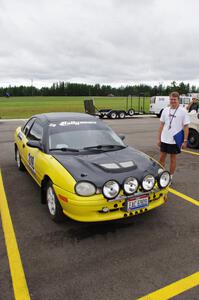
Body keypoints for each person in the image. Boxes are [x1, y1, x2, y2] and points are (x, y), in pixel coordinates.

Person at [157, 91, 190, 182]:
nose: (173, 101)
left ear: (178, 100)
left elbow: (186, 126)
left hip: (175, 140)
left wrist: (185, 140)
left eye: (174, 99)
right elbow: (161, 125)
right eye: (171, 99)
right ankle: (161, 175)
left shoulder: (183, 111)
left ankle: (170, 177)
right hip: (164, 138)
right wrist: (158, 138)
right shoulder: (165, 110)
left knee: (173, 159)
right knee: (161, 157)